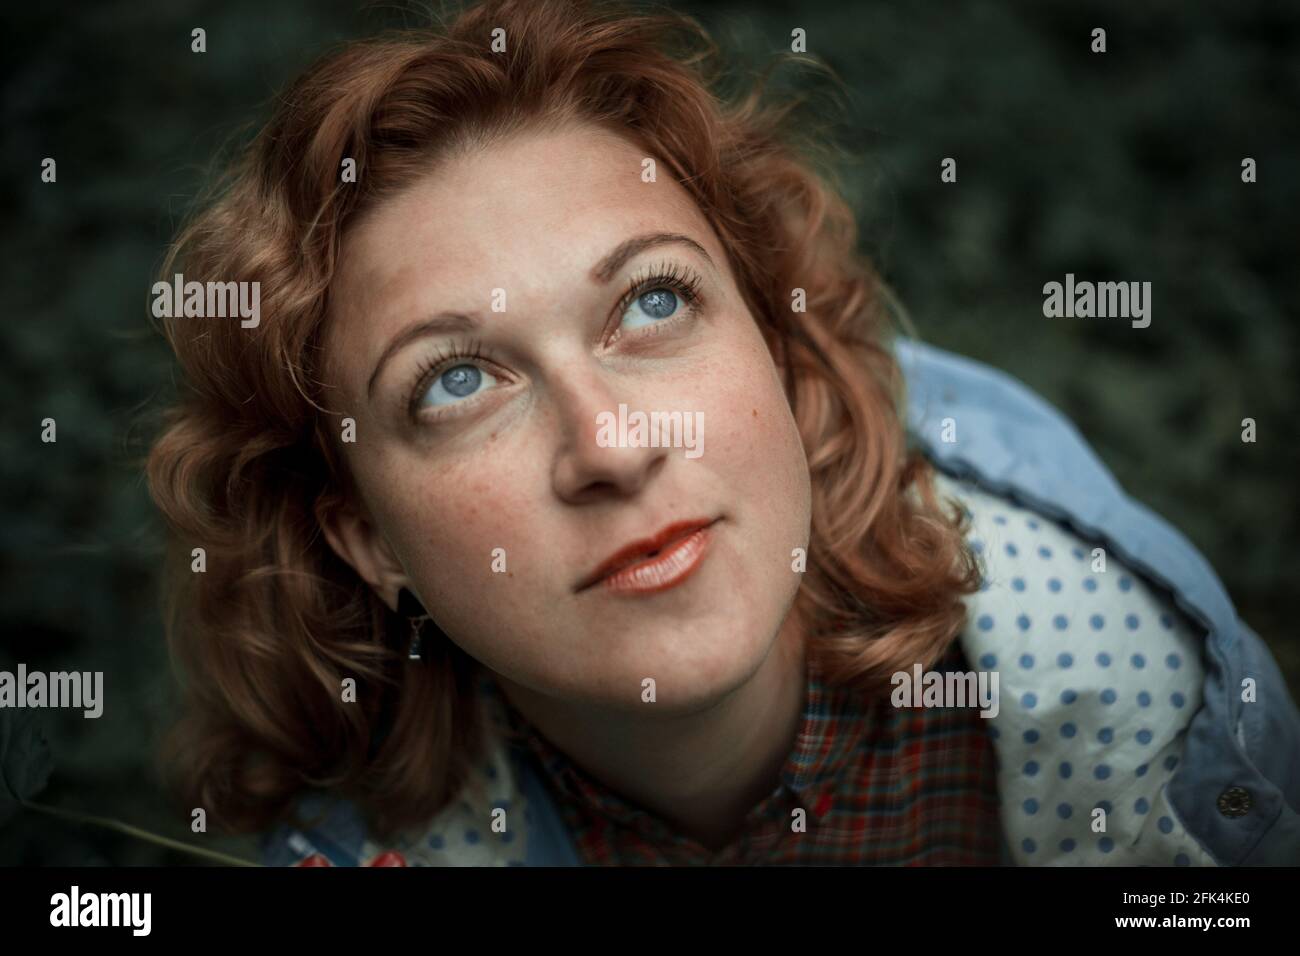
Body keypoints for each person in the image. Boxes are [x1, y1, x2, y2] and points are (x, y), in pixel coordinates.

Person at [146, 0, 1300, 867]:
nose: (608, 443)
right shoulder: (377, 843)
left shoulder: (1110, 676)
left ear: (780, 350)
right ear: (367, 539)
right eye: (455, 380)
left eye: (651, 303)